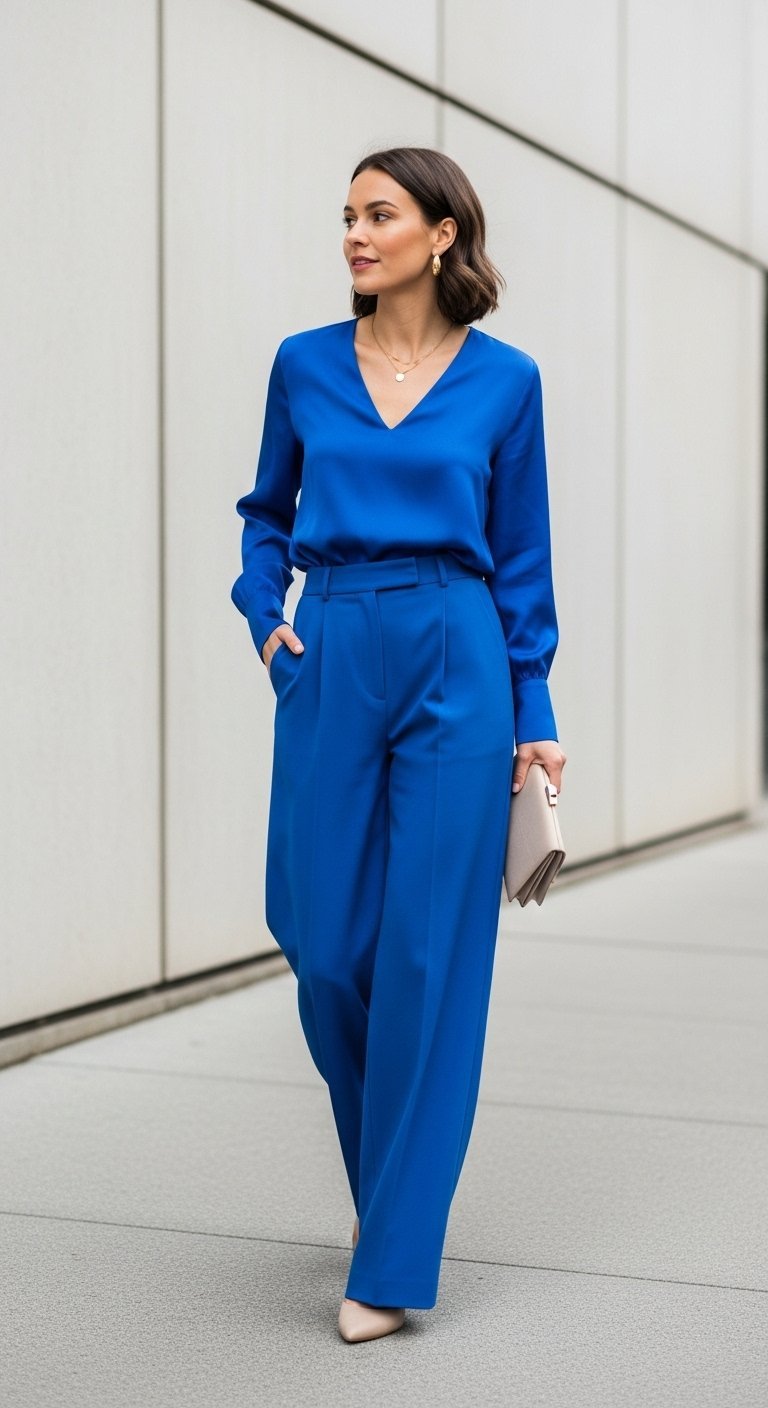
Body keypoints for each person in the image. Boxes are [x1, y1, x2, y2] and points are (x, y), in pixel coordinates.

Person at [231, 146, 567, 1343]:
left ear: (442, 233)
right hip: (332, 643)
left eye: (380, 214)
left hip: (457, 653)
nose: (356, 235)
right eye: (347, 216)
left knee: (431, 953)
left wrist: (536, 711)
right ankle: (396, 1187)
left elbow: (521, 558)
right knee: (322, 942)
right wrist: (267, 621)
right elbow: (264, 515)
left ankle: (391, 1253)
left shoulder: (506, 382)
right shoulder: (306, 364)